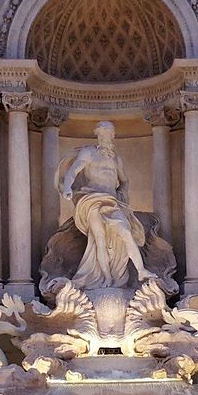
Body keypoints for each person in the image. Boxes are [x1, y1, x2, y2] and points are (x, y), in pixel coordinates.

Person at [57, 121, 158, 289]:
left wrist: (122, 194)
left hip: (112, 201)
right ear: (97, 134)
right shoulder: (88, 152)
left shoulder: (116, 159)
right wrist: (67, 187)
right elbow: (74, 170)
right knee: (99, 239)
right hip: (92, 199)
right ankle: (106, 279)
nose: (107, 136)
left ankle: (141, 270)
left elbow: (124, 181)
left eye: (110, 133)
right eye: (103, 132)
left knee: (126, 232)